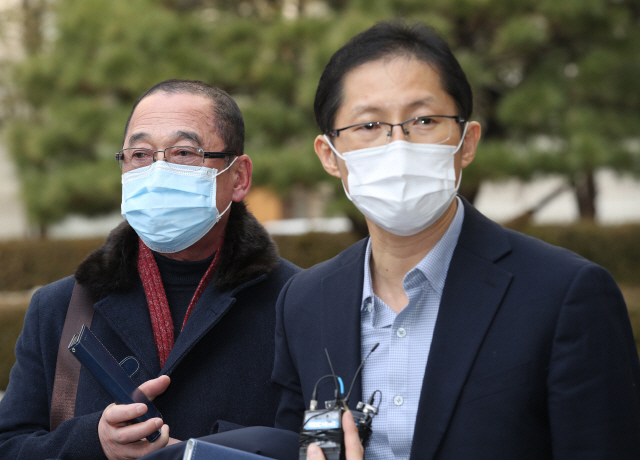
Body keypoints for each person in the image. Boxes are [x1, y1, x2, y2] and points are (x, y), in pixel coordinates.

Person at [272, 20, 640, 459]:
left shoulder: (564, 294)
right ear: (330, 156)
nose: (398, 145)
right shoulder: (306, 301)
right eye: (368, 125)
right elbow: (292, 444)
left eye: (424, 120)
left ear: (467, 142)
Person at [0, 79, 300, 460]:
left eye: (183, 152)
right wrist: (95, 441)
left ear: (238, 177)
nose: (158, 171)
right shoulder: (61, 308)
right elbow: (9, 445)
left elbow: (321, 445)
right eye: (139, 154)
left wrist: (202, 452)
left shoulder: (299, 303)